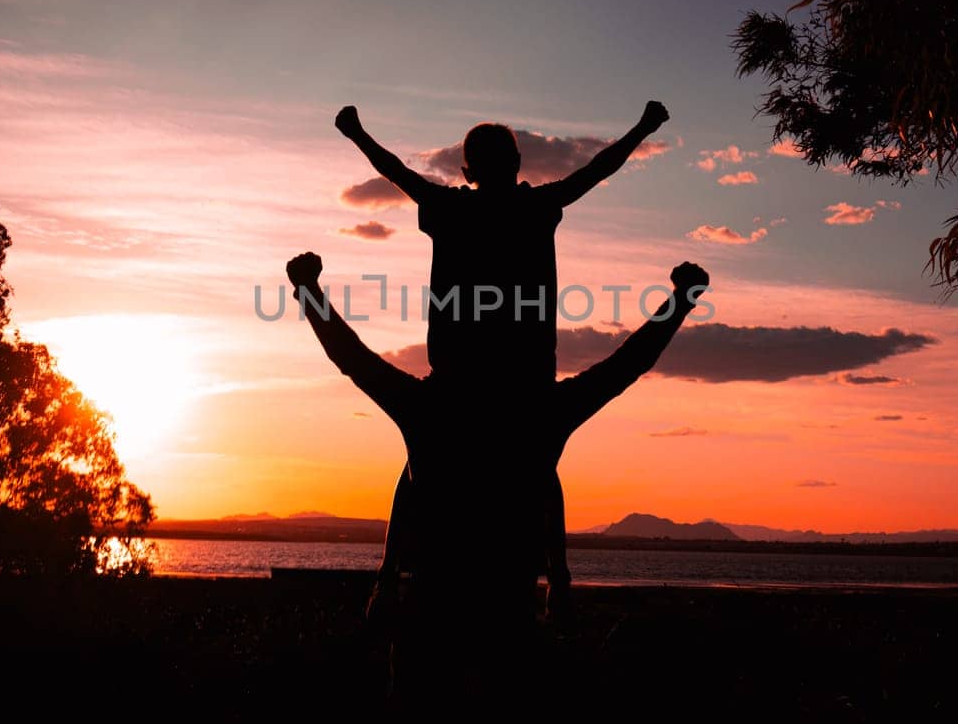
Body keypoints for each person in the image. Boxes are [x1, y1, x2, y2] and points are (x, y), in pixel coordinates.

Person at [335, 101, 671, 617]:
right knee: (538, 470)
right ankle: (557, 578)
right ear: (516, 164)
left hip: (465, 379)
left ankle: (388, 574)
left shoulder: (453, 206)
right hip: (519, 379)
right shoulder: (534, 206)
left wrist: (356, 134)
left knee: (418, 469)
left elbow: (396, 171)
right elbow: (597, 170)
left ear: (468, 170)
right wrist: (642, 129)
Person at [284, 251, 709, 647]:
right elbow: (626, 365)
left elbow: (352, 358)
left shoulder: (432, 408)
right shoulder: (534, 412)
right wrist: (679, 302)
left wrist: (309, 291)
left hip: (445, 606)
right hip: (496, 606)